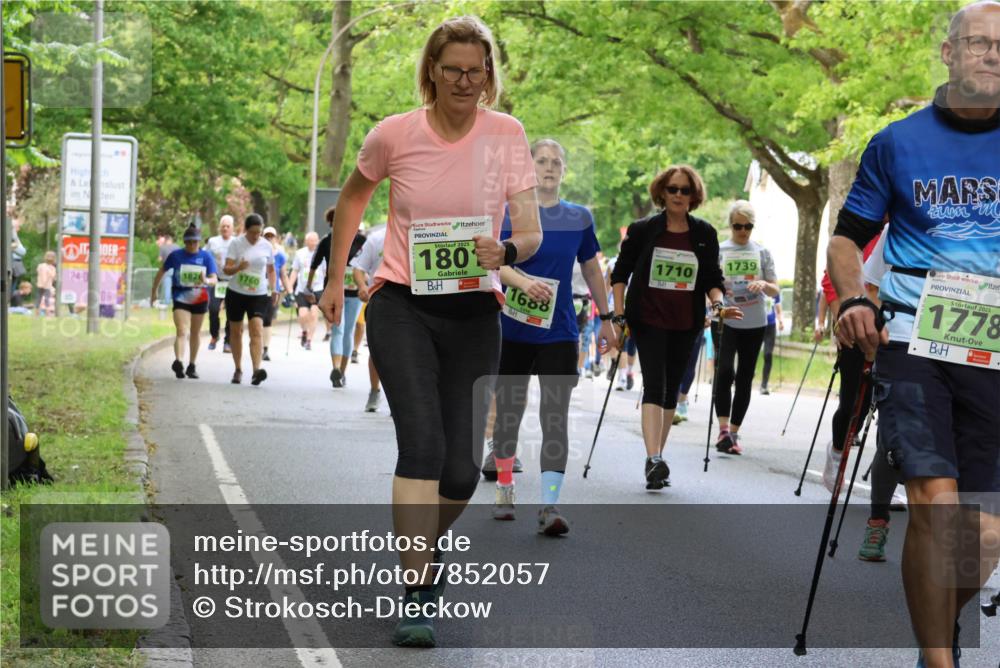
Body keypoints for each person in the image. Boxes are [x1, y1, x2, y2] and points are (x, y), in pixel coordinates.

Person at [317, 15, 541, 648]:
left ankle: (425, 548)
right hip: (401, 304)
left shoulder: (507, 135)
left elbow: (528, 229)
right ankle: (416, 590)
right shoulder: (395, 134)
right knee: (420, 445)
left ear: (489, 74)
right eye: (453, 70)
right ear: (432, 73)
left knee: (463, 472)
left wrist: (509, 253)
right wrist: (337, 278)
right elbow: (354, 197)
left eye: (477, 70)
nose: (466, 81)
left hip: (474, 308)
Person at [828, 3, 1000, 664]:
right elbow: (847, 241)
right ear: (949, 53)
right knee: (934, 503)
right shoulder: (897, 142)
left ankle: (935, 622)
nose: (990, 54)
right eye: (977, 43)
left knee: (983, 537)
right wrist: (851, 298)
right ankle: (938, 658)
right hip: (913, 343)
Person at [488, 138, 615, 532]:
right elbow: (493, 264)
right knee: (509, 412)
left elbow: (592, 269)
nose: (548, 167)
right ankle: (505, 488)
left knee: (554, 415)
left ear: (563, 170)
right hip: (512, 327)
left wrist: (608, 316)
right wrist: (523, 283)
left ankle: (549, 505)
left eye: (555, 162)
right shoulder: (508, 213)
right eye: (541, 161)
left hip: (559, 330)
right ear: (529, 167)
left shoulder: (578, 217)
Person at [610, 165, 740, 490]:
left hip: (686, 322)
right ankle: (654, 457)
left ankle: (657, 458)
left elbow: (712, 278)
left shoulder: (704, 234)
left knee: (671, 390)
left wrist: (718, 305)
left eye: (685, 190)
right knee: (654, 384)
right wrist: (618, 313)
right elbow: (620, 274)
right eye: (672, 189)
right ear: (662, 193)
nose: (678, 195)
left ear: (694, 195)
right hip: (648, 318)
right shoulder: (643, 230)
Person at [711, 200, 779, 455]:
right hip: (725, 320)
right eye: (738, 226)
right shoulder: (720, 250)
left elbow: (774, 287)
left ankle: (734, 434)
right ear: (731, 225)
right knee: (725, 370)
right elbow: (710, 285)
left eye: (748, 226)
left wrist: (763, 284)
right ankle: (723, 429)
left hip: (754, 321)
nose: (743, 231)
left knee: (744, 378)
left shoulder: (761, 252)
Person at [150, 224, 218, 379]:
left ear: (199, 242)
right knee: (181, 330)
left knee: (195, 332)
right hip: (180, 298)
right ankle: (179, 362)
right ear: (184, 242)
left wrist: (206, 280)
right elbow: (161, 272)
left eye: (195, 242)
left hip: (200, 299)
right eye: (189, 242)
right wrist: (153, 292)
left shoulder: (206, 257)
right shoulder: (176, 256)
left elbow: (214, 279)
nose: (192, 245)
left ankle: (192, 365)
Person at [310, 209, 366, 387]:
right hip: (334, 291)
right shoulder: (327, 241)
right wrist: (308, 286)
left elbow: (371, 262)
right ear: (331, 223)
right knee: (338, 329)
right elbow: (314, 264)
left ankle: (341, 370)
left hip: (354, 292)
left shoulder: (362, 241)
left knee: (346, 330)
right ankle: (336, 369)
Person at [224, 214, 275, 385]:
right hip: (236, 293)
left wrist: (274, 289)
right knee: (236, 331)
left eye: (259, 233)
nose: (256, 236)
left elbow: (271, 270)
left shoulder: (267, 246)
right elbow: (226, 269)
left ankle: (256, 370)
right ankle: (238, 369)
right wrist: (238, 267)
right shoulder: (236, 244)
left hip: (258, 294)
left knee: (257, 329)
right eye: (253, 232)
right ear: (246, 230)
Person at [351, 223, 387, 412]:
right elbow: (358, 268)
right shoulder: (376, 238)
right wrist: (363, 286)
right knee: (377, 350)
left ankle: (399, 398)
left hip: (412, 303)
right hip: (379, 301)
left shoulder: (419, 233)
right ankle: (374, 391)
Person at [204, 215, 236, 352]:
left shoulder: (237, 242)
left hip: (232, 281)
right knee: (213, 309)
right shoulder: (213, 241)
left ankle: (228, 341)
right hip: (216, 280)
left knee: (232, 313)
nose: (225, 228)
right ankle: (214, 335)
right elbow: (205, 257)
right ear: (219, 227)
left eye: (228, 226)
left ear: (232, 228)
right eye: (223, 226)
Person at [288, 232, 323, 351]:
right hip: (302, 289)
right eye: (310, 240)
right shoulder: (300, 253)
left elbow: (327, 272)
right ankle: (304, 331)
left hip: (317, 288)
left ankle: (309, 340)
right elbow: (295, 271)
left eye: (315, 240)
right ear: (306, 241)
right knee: (302, 314)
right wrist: (290, 286)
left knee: (313, 314)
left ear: (318, 241)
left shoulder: (322, 254)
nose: (313, 243)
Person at [262, 226, 290, 362]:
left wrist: (290, 292)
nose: (269, 239)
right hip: (256, 290)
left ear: (275, 239)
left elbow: (284, 276)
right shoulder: (259, 253)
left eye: (271, 236)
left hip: (273, 291)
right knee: (256, 319)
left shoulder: (280, 256)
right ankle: (257, 344)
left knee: (267, 319)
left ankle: (265, 349)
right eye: (266, 236)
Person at [759, 292, 784, 394]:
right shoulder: (757, 289)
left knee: (768, 354)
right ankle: (744, 381)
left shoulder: (774, 291)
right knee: (751, 354)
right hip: (758, 325)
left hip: (770, 326)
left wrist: (781, 321)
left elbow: (778, 309)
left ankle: (764, 385)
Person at [157, 233, 179, 304]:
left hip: (167, 269)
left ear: (165, 240)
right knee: (177, 286)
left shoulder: (163, 247)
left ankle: (167, 303)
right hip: (177, 269)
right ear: (171, 240)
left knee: (167, 287)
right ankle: (178, 302)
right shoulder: (177, 247)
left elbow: (159, 259)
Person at [34, 251, 57, 317]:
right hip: (47, 286)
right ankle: (47, 314)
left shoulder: (40, 265)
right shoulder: (52, 268)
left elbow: (38, 272)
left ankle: (37, 314)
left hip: (40, 284)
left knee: (38, 299)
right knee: (47, 300)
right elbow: (53, 277)